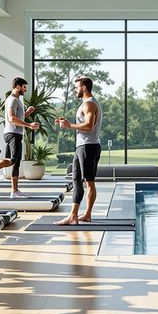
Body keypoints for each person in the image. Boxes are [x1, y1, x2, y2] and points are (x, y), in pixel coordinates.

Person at [0, 76, 41, 198]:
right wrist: (29, 125)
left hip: (13, 133)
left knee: (12, 161)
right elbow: (12, 119)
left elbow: (17, 117)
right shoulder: (12, 100)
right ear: (18, 86)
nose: (25, 90)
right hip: (13, 134)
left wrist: (28, 112)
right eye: (24, 87)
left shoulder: (16, 100)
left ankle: (14, 190)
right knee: (13, 161)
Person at [53, 76, 101, 225]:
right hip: (82, 146)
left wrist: (69, 125)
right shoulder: (86, 104)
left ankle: (86, 214)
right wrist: (66, 123)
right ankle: (74, 216)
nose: (75, 90)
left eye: (76, 87)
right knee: (76, 180)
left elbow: (89, 126)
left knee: (89, 182)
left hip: (88, 146)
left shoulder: (89, 104)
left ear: (84, 88)